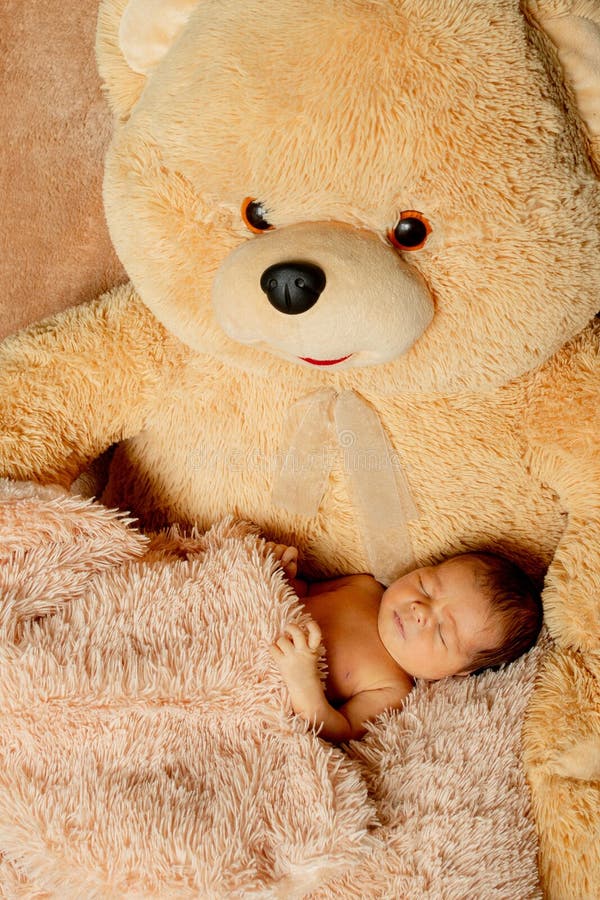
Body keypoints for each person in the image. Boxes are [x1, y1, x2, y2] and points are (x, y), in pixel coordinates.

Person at [266, 543, 542, 743]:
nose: (420, 610)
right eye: (425, 586)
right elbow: (304, 592)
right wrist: (279, 573)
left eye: (442, 632)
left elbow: (338, 731)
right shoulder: (363, 586)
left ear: (458, 672)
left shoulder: (392, 688)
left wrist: (303, 683)